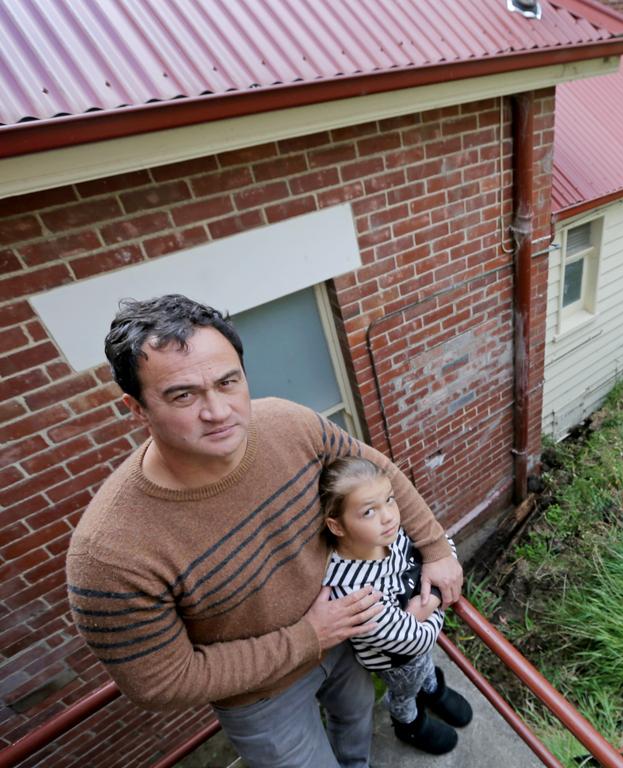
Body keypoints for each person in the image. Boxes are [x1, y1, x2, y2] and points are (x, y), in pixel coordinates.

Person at [65, 294, 462, 768]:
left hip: (345, 638)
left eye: (228, 382)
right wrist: (307, 637)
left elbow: (375, 469)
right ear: (137, 408)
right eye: (183, 395)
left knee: (357, 722)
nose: (218, 411)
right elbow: (161, 682)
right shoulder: (110, 553)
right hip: (261, 696)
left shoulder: (288, 424)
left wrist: (435, 547)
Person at [321, 457, 473, 755]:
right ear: (336, 526)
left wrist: (424, 608)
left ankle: (432, 688)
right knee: (406, 688)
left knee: (426, 665)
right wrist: (437, 601)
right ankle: (409, 724)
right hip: (395, 661)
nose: (389, 516)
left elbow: (442, 550)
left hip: (414, 634)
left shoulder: (390, 535)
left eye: (390, 500)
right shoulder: (352, 591)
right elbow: (413, 640)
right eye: (369, 511)